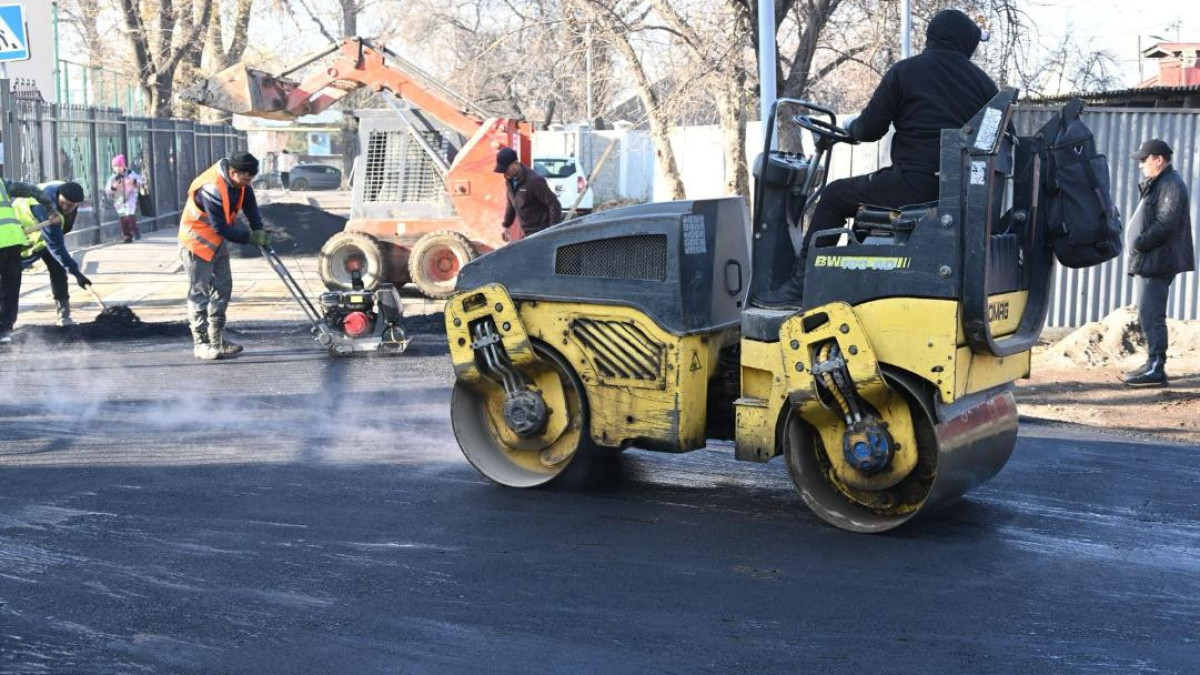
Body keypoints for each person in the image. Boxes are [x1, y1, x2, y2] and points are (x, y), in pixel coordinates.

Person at [753, 9, 998, 309]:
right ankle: (846, 282)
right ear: (964, 42)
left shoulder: (906, 72)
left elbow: (870, 129)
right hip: (959, 196)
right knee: (866, 200)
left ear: (931, 36)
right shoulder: (985, 86)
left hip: (912, 186)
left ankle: (800, 287)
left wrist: (849, 128)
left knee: (834, 196)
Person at [179, 151, 270, 361]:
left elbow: (250, 206)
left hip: (217, 242)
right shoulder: (211, 186)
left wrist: (259, 229)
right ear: (232, 172)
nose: (247, 183)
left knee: (223, 287)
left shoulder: (241, 183)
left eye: (251, 180)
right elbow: (219, 226)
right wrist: (249, 238)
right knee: (199, 293)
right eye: (245, 179)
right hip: (196, 242)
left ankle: (218, 340)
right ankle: (201, 343)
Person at [1121, 139, 1195, 388]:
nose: (1141, 165)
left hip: (1158, 260)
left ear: (1159, 159)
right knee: (1146, 312)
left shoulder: (1171, 185)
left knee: (1152, 314)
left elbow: (1166, 223)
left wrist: (1140, 242)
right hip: (1151, 259)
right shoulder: (1160, 183)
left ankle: (1156, 368)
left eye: (1145, 159)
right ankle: (1152, 362)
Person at [16, 181, 92, 326]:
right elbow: (56, 247)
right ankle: (5, 323)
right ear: (58, 195)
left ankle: (64, 315)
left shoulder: (69, 197)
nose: (65, 207)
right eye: (63, 203)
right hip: (18, 235)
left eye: (70, 206)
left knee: (58, 269)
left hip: (40, 238)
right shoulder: (44, 206)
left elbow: (61, 233)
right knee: (10, 275)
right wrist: (77, 274)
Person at [0, 179, 59, 343]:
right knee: (10, 285)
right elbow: (33, 190)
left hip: (8, 240)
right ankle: (4, 330)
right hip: (11, 240)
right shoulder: (2, 184)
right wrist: (50, 210)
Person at [495, 147, 563, 240]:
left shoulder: (534, 181)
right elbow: (511, 204)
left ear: (515, 163)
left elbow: (554, 204)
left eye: (506, 169)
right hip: (527, 232)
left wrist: (552, 230)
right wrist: (506, 226)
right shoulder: (509, 180)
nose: (504, 173)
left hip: (541, 232)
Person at [107, 154, 144, 242]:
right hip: (118, 200)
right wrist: (114, 187)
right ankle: (127, 236)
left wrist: (133, 182)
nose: (118, 168)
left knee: (129, 213)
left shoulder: (130, 174)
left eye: (119, 165)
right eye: (115, 166)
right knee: (123, 217)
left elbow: (141, 181)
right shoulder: (113, 178)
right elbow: (108, 190)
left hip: (131, 197)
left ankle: (135, 231)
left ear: (123, 165)